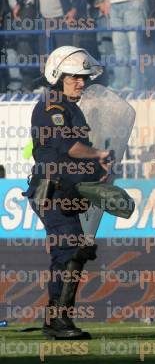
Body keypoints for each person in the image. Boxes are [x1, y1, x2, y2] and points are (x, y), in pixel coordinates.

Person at [25, 45, 111, 339]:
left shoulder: (71, 107)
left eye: (83, 77)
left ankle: (58, 319)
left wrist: (99, 169)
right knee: (70, 250)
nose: (81, 82)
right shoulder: (53, 106)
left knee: (76, 252)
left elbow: (75, 156)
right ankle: (58, 322)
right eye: (74, 77)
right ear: (57, 76)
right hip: (52, 191)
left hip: (68, 192)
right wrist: (98, 153)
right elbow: (68, 147)